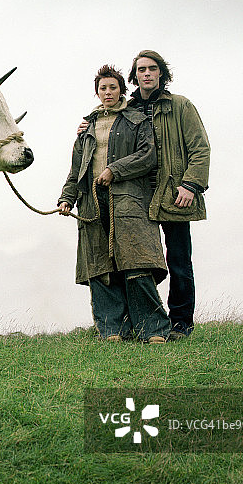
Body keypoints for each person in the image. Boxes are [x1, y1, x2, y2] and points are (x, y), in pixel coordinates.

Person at [58, 65, 170, 343]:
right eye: (103, 88)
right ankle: (112, 330)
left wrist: (115, 170)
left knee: (136, 262)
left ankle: (152, 330)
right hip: (92, 204)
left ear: (121, 90)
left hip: (129, 202)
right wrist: (67, 197)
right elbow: (76, 170)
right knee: (101, 268)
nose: (108, 92)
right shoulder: (86, 128)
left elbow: (148, 156)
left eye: (113, 87)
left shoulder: (136, 120)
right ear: (97, 92)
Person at [127, 50, 210, 340]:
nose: (146, 74)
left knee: (178, 261)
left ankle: (180, 324)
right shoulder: (127, 109)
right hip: (137, 198)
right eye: (141, 69)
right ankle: (146, 324)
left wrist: (191, 185)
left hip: (173, 195)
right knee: (137, 263)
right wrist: (87, 126)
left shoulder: (180, 105)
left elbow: (200, 148)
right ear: (135, 75)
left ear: (161, 73)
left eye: (152, 68)